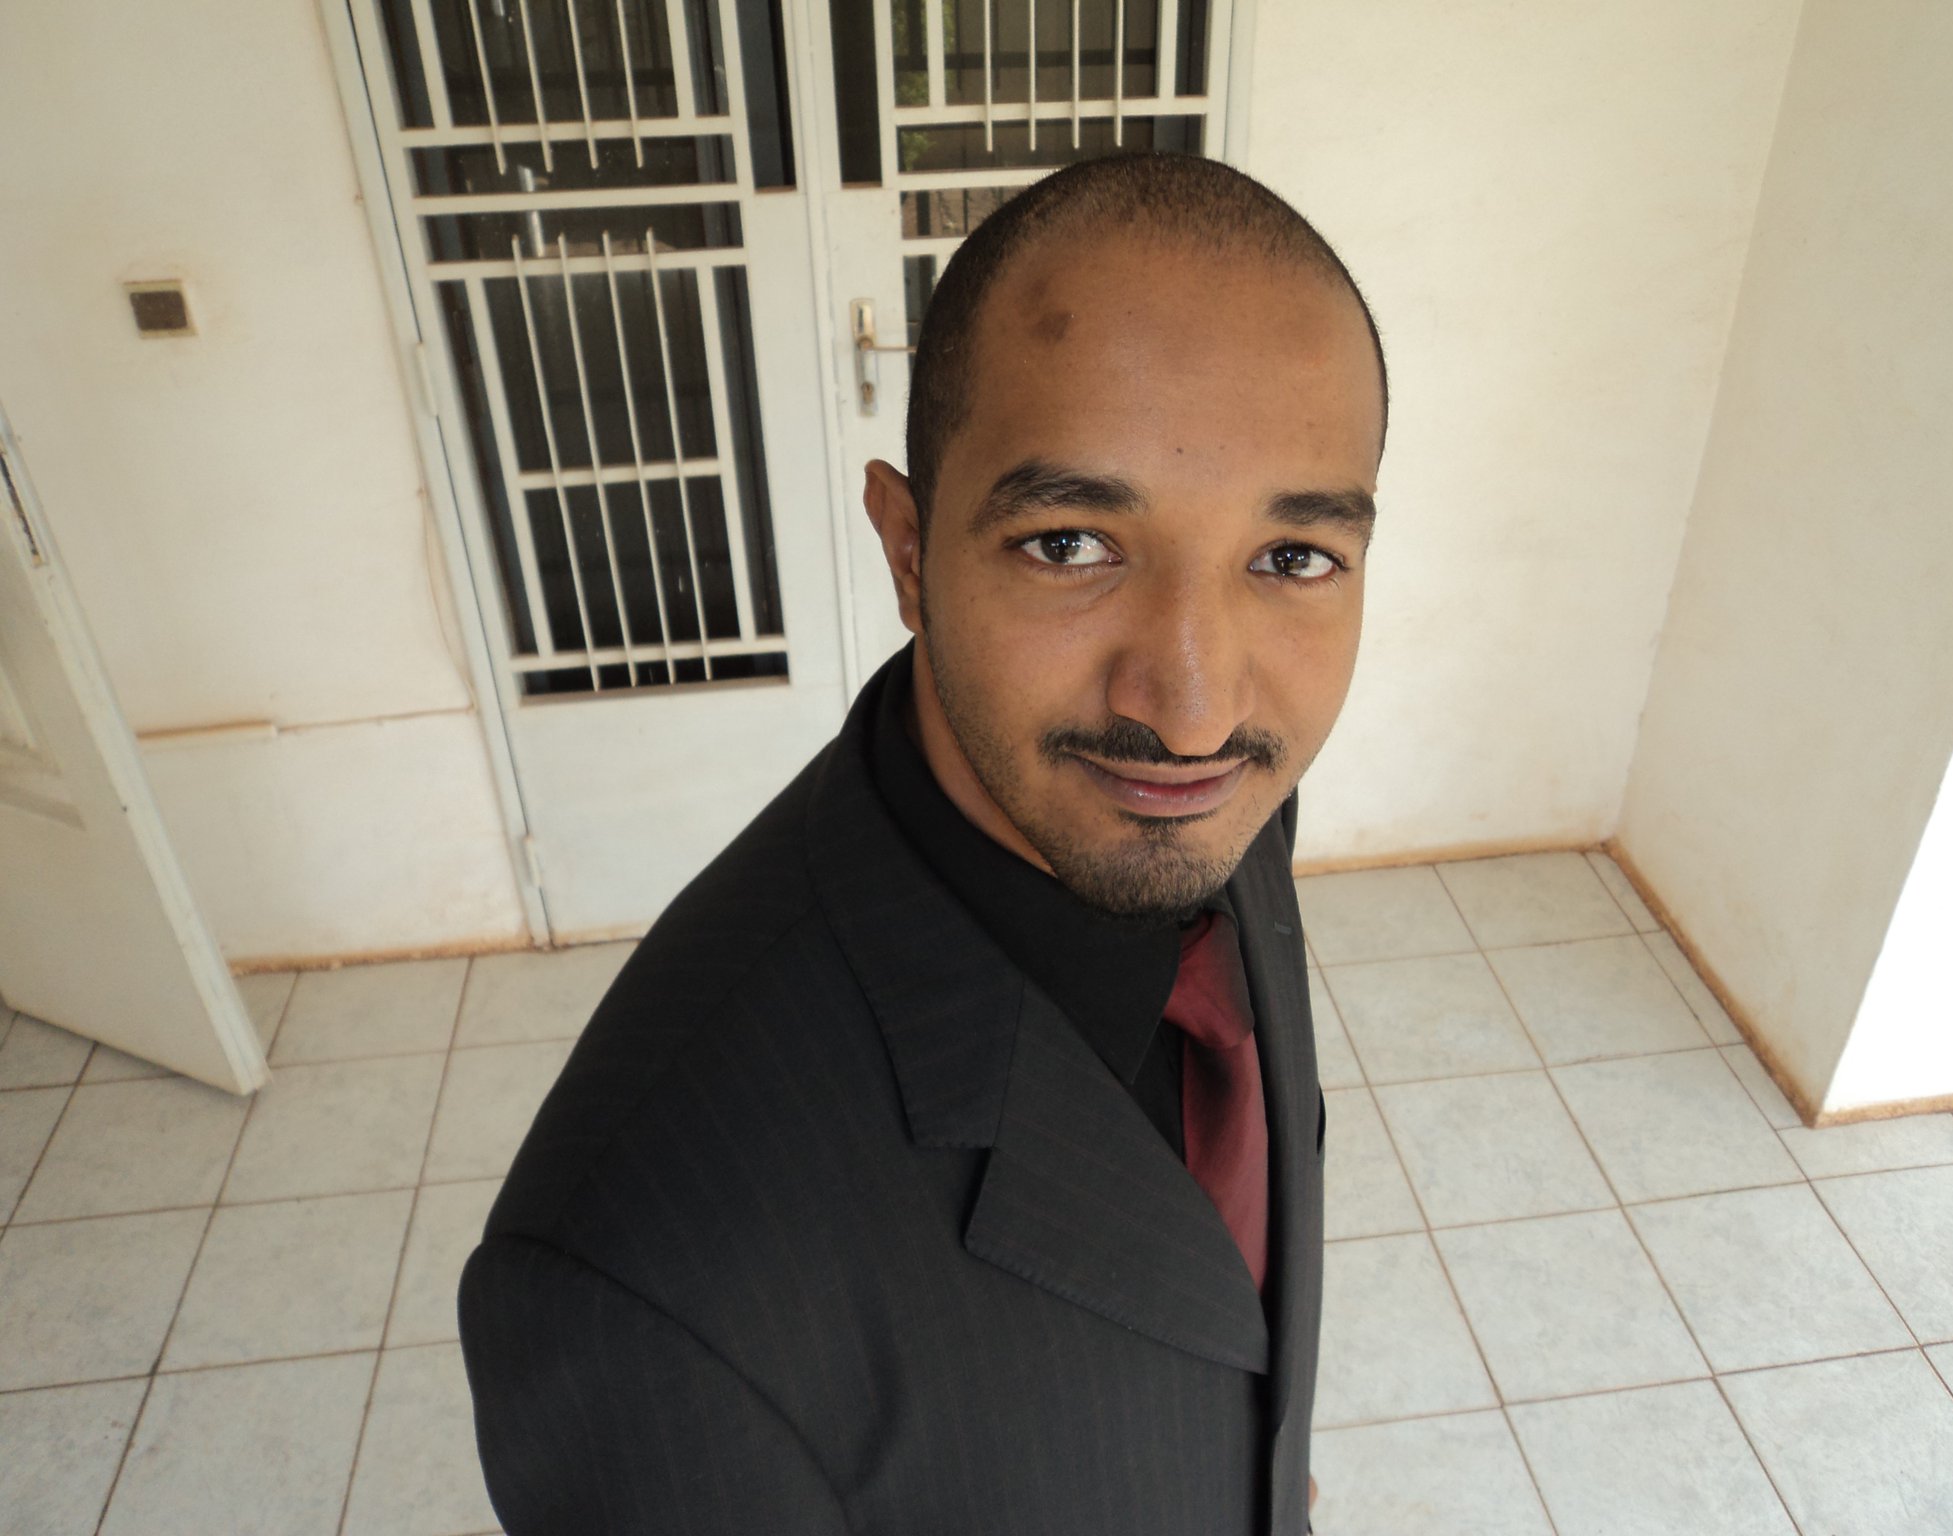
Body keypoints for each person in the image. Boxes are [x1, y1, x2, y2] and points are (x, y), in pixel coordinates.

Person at [458, 149, 1388, 1535]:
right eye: (1070, 544)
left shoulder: (1217, 806)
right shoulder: (638, 1292)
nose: (1194, 710)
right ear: (908, 550)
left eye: (1293, 558)